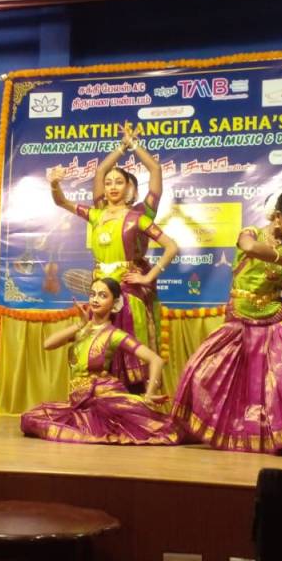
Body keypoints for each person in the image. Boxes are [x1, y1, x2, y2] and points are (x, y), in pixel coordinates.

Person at [171, 188, 282, 452]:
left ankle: (279, 436)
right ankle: (229, 432)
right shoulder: (251, 234)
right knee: (206, 372)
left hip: (275, 317)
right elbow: (249, 248)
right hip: (241, 316)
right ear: (278, 216)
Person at [48, 144, 178, 393]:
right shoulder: (96, 214)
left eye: (119, 182)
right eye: (108, 183)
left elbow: (171, 246)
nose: (112, 187)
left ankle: (136, 397)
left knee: (130, 347)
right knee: (97, 344)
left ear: (129, 188)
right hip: (101, 291)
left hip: (128, 292)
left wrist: (149, 276)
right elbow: (62, 200)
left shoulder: (139, 216)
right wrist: (55, 184)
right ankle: (99, 393)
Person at [20, 278, 179, 445]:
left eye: (103, 296)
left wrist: (150, 393)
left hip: (104, 399)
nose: (95, 299)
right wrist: (80, 324)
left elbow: (156, 360)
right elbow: (48, 344)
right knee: (32, 418)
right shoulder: (82, 330)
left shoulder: (115, 335)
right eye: (92, 294)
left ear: (115, 303)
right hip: (78, 402)